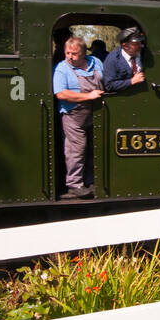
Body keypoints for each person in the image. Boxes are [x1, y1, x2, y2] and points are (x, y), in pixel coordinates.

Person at [53, 36, 105, 199]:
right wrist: (88, 96)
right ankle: (74, 184)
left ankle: (91, 181)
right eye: (67, 53)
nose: (69, 56)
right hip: (73, 115)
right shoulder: (62, 68)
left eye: (74, 53)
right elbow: (61, 93)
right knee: (76, 150)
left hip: (95, 112)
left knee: (93, 148)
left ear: (83, 53)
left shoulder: (96, 62)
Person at [103, 27, 147, 92]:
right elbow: (109, 85)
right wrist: (132, 81)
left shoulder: (144, 53)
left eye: (140, 42)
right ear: (125, 46)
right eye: (136, 44)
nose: (140, 45)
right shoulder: (113, 59)